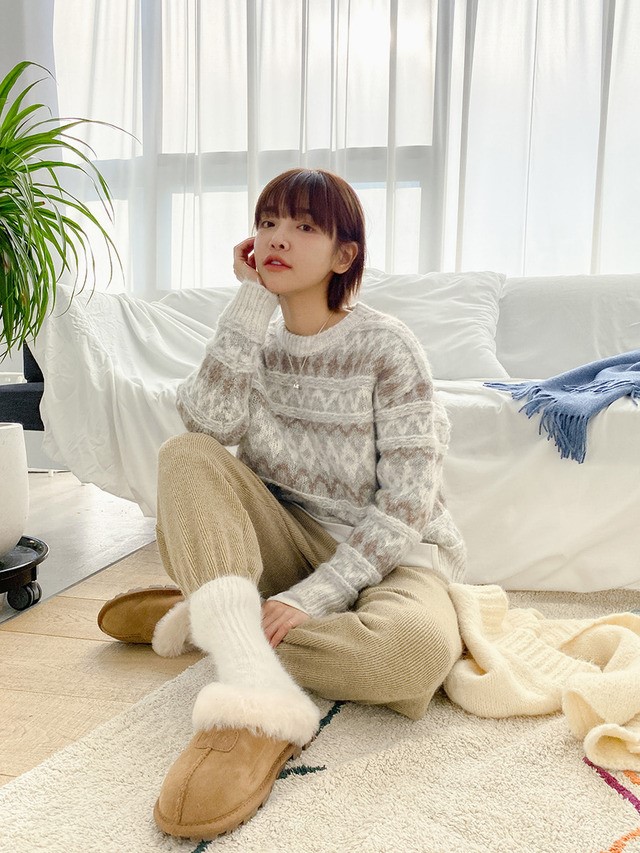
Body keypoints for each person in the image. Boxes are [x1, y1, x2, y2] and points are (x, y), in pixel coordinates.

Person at [97, 168, 466, 841]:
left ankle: (217, 620)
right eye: (267, 222)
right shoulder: (253, 340)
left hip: (390, 557)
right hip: (285, 534)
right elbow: (206, 426)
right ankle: (246, 660)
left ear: (344, 255)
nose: (277, 238)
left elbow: (408, 503)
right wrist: (248, 302)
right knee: (185, 454)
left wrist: (316, 595)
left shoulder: (387, 347)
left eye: (303, 226)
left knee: (413, 657)